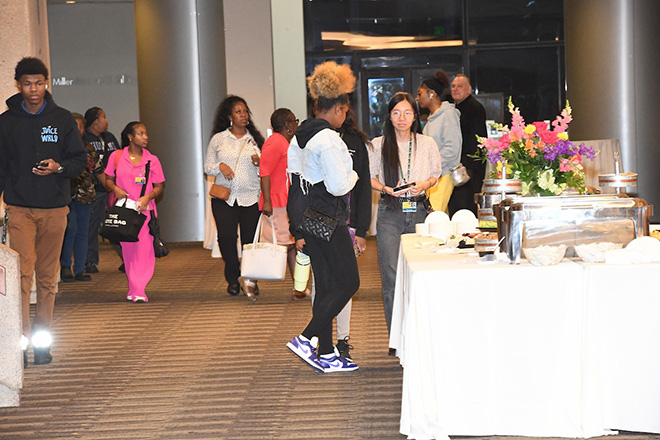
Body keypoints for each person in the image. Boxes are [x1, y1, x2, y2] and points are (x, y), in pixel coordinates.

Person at [0, 57, 87, 366]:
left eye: (38, 83)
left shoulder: (62, 120)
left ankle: (41, 342)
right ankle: (20, 343)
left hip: (55, 209)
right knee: (21, 276)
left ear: (46, 83)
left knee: (47, 278)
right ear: (18, 85)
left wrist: (58, 167)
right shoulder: (6, 121)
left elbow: (79, 161)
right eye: (27, 84)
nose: (33, 89)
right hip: (20, 208)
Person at [286, 60, 360, 373]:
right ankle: (306, 338)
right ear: (339, 108)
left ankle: (327, 353)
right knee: (349, 283)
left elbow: (293, 181)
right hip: (329, 218)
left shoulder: (298, 136)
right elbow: (338, 184)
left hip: (307, 219)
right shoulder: (328, 139)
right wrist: (354, 174)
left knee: (327, 283)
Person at [369, 92, 442, 335]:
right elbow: (369, 177)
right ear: (389, 116)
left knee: (418, 272)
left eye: (407, 113)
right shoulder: (378, 144)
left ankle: (418, 332)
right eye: (396, 113)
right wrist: (385, 188)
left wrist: (425, 183)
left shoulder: (426, 143)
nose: (402, 118)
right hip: (390, 211)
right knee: (390, 276)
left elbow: (436, 173)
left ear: (415, 116)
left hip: (419, 209)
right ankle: (396, 336)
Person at [205, 95, 264, 299]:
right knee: (227, 238)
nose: (243, 115)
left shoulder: (255, 140)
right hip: (225, 198)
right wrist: (220, 166)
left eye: (245, 111)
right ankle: (233, 277)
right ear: (229, 116)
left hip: (251, 197)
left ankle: (249, 279)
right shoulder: (219, 139)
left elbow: (267, 171)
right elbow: (207, 167)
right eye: (238, 112)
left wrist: (260, 163)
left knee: (249, 242)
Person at [104, 121, 165, 303]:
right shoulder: (116, 156)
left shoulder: (151, 160)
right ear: (130, 137)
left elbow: (159, 185)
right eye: (140, 133)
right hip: (124, 211)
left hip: (144, 211)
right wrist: (114, 188)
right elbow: (108, 179)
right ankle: (134, 288)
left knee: (145, 250)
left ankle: (139, 288)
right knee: (129, 251)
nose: (145, 137)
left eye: (146, 134)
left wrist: (148, 197)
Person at [332, 107, 372, 360]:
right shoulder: (312, 139)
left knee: (345, 282)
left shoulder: (355, 142)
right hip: (319, 223)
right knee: (322, 284)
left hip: (347, 223)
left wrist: (362, 229)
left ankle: (342, 339)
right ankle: (321, 337)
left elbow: (363, 187)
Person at [258, 108, 309, 300]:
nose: (297, 124)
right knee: (280, 244)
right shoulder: (275, 143)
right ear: (288, 125)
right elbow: (264, 173)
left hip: (285, 200)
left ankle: (299, 287)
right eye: (294, 121)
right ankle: (250, 278)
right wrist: (268, 202)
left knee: (289, 244)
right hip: (277, 202)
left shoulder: (283, 142)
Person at [60, 112, 103, 282]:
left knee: (83, 232)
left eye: (81, 126)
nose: (78, 129)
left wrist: (113, 187)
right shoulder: (61, 148)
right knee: (70, 229)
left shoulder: (90, 149)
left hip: (85, 195)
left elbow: (99, 172)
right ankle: (65, 266)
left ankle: (80, 268)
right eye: (74, 125)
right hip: (66, 195)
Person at [83, 107, 122, 274]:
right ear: (95, 121)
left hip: (114, 189)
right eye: (104, 117)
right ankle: (90, 261)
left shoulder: (110, 137)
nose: (107, 121)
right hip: (95, 190)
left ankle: (128, 259)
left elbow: (121, 158)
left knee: (117, 225)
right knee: (92, 227)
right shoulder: (85, 139)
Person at [417, 70, 462, 213]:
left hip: (444, 173)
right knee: (437, 217)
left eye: (420, 94)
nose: (418, 98)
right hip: (434, 176)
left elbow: (453, 149)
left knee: (433, 216)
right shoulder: (432, 118)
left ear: (432, 93)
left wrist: (432, 166)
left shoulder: (448, 115)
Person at [448, 74, 488, 216]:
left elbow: (477, 141)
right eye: (453, 86)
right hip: (459, 167)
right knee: (456, 208)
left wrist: (469, 169)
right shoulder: (454, 109)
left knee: (465, 209)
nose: (455, 89)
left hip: (470, 169)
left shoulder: (474, 108)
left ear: (469, 89)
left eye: (460, 86)